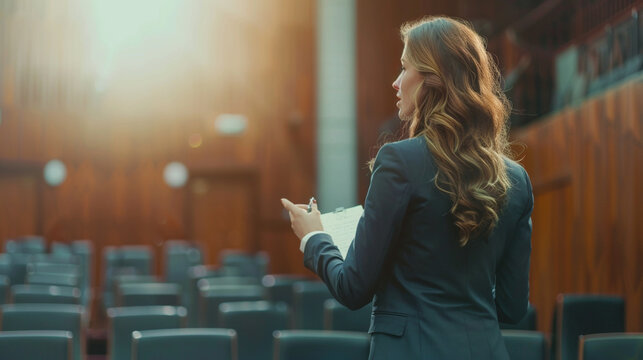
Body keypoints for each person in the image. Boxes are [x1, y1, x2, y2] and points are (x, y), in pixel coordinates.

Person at [281, 15, 533, 360]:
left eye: (404, 69)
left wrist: (314, 237)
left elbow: (353, 287)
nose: (396, 83)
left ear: (432, 79)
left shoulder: (399, 162)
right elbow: (512, 307)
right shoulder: (517, 180)